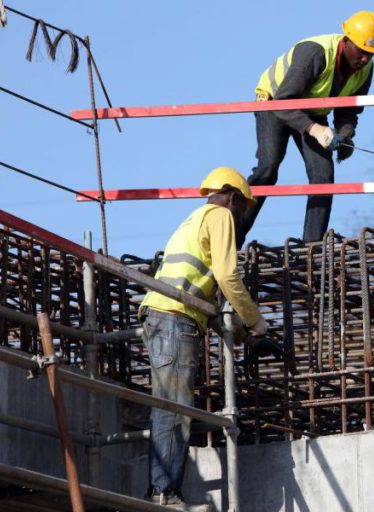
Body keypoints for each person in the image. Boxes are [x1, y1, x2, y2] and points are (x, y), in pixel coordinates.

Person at [139, 166, 267, 506]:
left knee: (168, 404)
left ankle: (161, 490)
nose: (240, 217)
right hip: (174, 320)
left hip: (165, 318)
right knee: (175, 407)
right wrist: (258, 323)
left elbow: (207, 302)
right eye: (242, 208)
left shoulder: (195, 219)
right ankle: (164, 493)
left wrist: (243, 337)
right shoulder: (220, 216)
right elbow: (228, 276)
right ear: (231, 196)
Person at [236, 11, 374, 248]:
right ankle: (233, 237)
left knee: (323, 177)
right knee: (268, 167)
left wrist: (345, 135)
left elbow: (349, 110)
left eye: (371, 53)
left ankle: (311, 248)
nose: (366, 59)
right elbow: (283, 102)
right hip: (275, 102)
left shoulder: (366, 69)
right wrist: (314, 129)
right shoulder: (315, 53)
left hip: (313, 110)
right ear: (346, 41)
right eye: (362, 51)